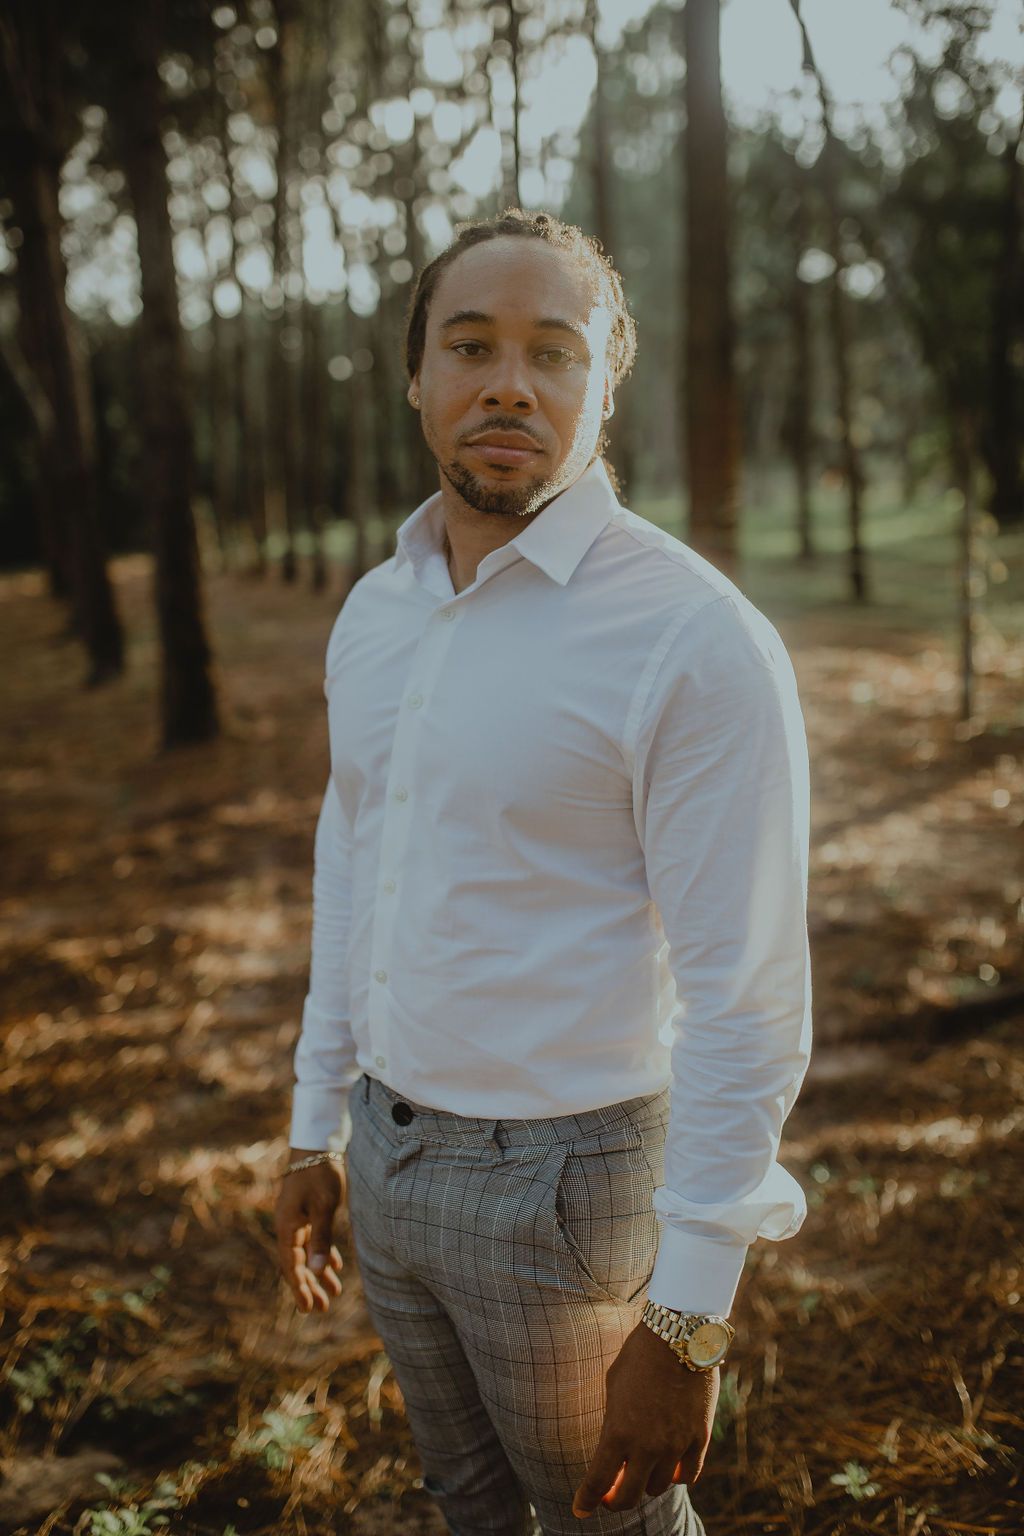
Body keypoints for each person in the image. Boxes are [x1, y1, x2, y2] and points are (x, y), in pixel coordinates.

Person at [274, 207, 813, 1536]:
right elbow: (357, 861)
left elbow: (745, 997)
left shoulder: (690, 638)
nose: (510, 381)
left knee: (606, 1530)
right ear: (418, 378)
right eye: (471, 345)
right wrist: (312, 1120)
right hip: (387, 1160)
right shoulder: (378, 608)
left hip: (569, 1190)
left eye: (553, 352)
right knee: (463, 1506)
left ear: (602, 384)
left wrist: (688, 1319)